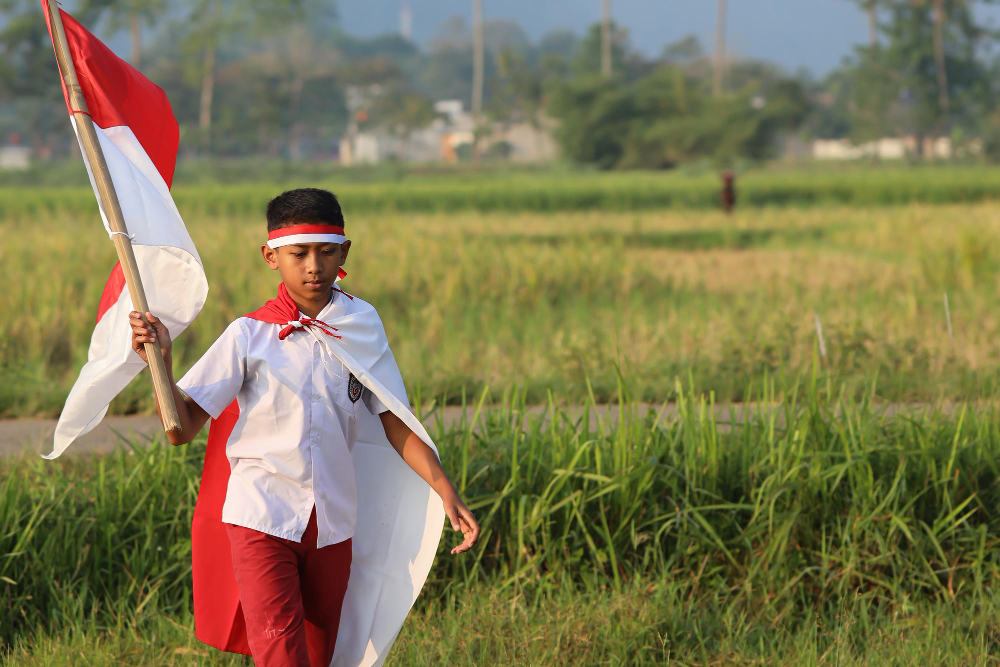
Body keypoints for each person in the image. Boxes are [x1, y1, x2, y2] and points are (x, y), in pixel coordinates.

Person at [128, 187, 479, 667]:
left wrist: (445, 489)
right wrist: (162, 362)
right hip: (261, 517)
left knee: (324, 654)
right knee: (281, 654)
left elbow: (393, 417)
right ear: (270, 256)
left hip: (332, 522)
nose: (314, 266)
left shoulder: (361, 323)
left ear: (345, 252)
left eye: (326, 251)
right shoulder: (247, 335)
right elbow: (180, 429)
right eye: (299, 253)